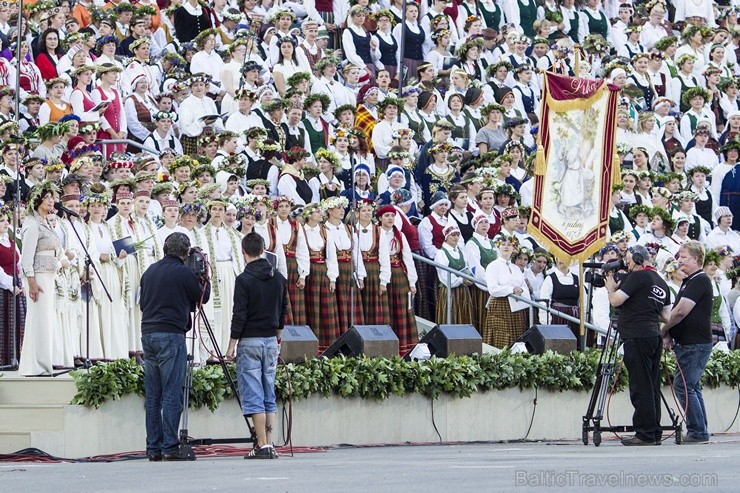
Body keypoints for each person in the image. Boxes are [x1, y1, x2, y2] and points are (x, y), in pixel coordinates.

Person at [139, 232, 209, 461]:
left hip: (148, 333)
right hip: (171, 334)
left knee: (154, 395)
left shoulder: (150, 271)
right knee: (171, 393)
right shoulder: (184, 272)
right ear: (186, 252)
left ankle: (153, 448)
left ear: (165, 248)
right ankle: (169, 446)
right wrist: (203, 274)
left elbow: (143, 302)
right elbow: (201, 298)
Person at [225, 232, 288, 459]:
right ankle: (269, 443)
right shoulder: (279, 277)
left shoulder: (244, 279)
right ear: (263, 250)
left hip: (249, 340)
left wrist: (231, 345)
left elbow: (239, 315)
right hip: (271, 339)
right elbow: (283, 311)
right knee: (268, 390)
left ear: (244, 252)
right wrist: (277, 336)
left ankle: (261, 444)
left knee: (253, 392)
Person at [605, 244, 670, 446]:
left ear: (640, 260)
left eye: (630, 259)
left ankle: (645, 433)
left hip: (637, 336)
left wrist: (610, 288)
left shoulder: (638, 277)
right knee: (651, 386)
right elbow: (667, 316)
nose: (628, 264)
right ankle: (654, 431)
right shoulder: (661, 282)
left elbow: (616, 301)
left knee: (640, 386)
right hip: (653, 336)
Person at [661, 241, 713, 444]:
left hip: (695, 343)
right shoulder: (690, 280)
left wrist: (663, 330)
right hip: (689, 342)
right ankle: (699, 429)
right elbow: (677, 311)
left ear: (696, 259)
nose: (679, 260)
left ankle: (698, 431)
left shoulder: (699, 280)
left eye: (683, 257)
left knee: (684, 387)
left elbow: (681, 311)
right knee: (691, 386)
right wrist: (670, 333)